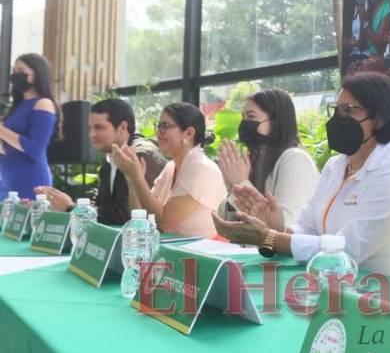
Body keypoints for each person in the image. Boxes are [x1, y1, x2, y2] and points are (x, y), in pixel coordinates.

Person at [214, 72, 390, 278]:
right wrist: (278, 227)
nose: (337, 119)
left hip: (386, 298)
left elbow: (348, 250)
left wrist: (268, 238)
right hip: (333, 287)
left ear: (378, 119)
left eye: (347, 111)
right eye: (335, 110)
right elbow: (309, 227)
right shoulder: (336, 166)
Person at [35, 98, 166, 225]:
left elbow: (124, 215)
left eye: (99, 127)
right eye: (90, 128)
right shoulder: (110, 160)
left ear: (122, 127)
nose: (91, 134)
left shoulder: (139, 156)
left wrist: (71, 207)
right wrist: (58, 205)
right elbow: (102, 208)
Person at [112, 102, 226, 238]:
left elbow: (165, 222)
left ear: (189, 133)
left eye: (165, 126)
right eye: (158, 126)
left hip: (204, 255)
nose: (158, 132)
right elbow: (142, 217)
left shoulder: (201, 168)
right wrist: (131, 180)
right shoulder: (171, 166)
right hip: (178, 252)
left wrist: (138, 179)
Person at [217, 89, 317, 226]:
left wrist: (241, 184)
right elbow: (226, 220)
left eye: (251, 117)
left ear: (276, 121)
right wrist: (233, 190)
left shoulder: (295, 160)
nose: (244, 124)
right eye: (243, 118)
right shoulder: (254, 160)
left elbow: (285, 226)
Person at [0, 54, 59, 200]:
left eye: (20, 70)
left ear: (37, 74)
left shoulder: (44, 104)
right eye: (14, 70)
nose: (15, 74)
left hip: (31, 180)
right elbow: (7, 147)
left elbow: (34, 149)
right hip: (7, 178)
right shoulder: (16, 108)